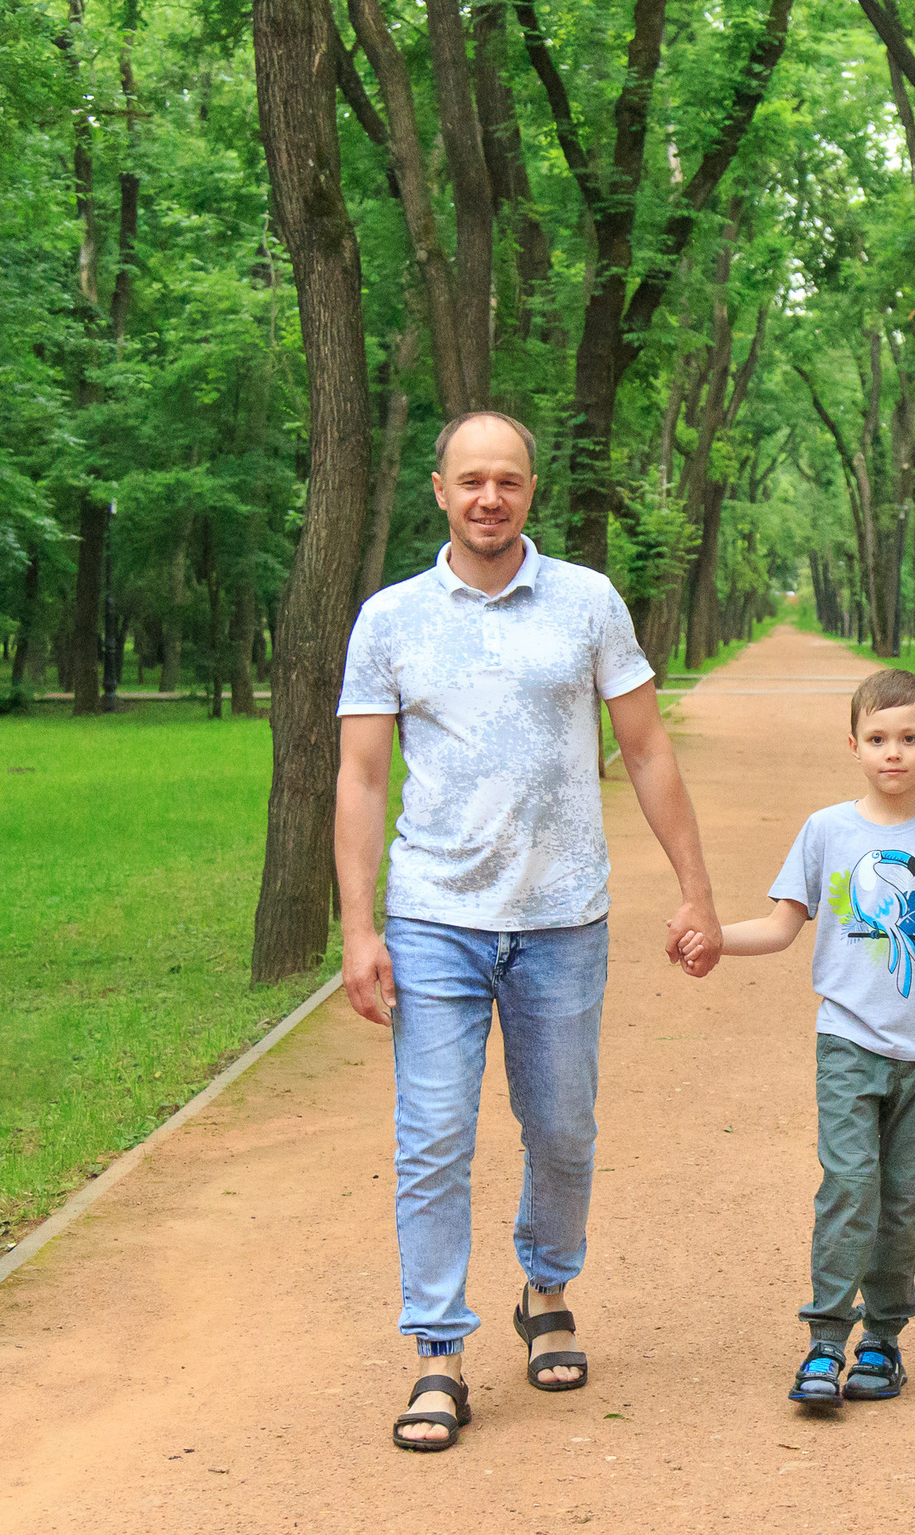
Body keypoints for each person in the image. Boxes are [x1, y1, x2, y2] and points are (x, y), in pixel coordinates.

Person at [334, 410, 723, 1453]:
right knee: (434, 1134)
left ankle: (545, 1287)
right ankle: (437, 1351)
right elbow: (361, 776)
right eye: (470, 480)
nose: (488, 497)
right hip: (435, 919)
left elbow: (646, 749)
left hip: (562, 919)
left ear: (531, 491)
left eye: (507, 479)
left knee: (561, 1129)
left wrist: (695, 891)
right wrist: (358, 928)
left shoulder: (588, 603)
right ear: (439, 490)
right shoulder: (390, 619)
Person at [694, 668, 915, 1408]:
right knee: (850, 1186)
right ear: (853, 745)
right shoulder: (827, 831)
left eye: (909, 738)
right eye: (879, 738)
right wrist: (714, 938)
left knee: (908, 1199)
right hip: (847, 1043)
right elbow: (780, 926)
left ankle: (883, 1338)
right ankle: (826, 1339)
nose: (894, 752)